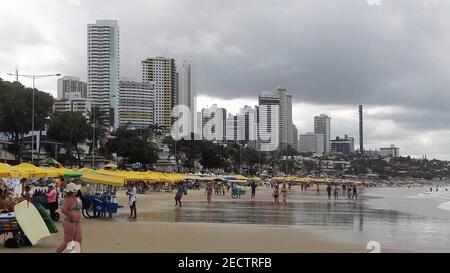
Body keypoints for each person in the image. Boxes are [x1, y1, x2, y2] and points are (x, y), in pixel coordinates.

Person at [56, 183, 82, 253]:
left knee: (78, 240)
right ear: (72, 191)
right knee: (67, 242)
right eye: (75, 190)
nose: (76, 191)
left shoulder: (74, 198)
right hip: (70, 222)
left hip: (75, 222)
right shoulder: (69, 199)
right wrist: (71, 215)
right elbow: (63, 209)